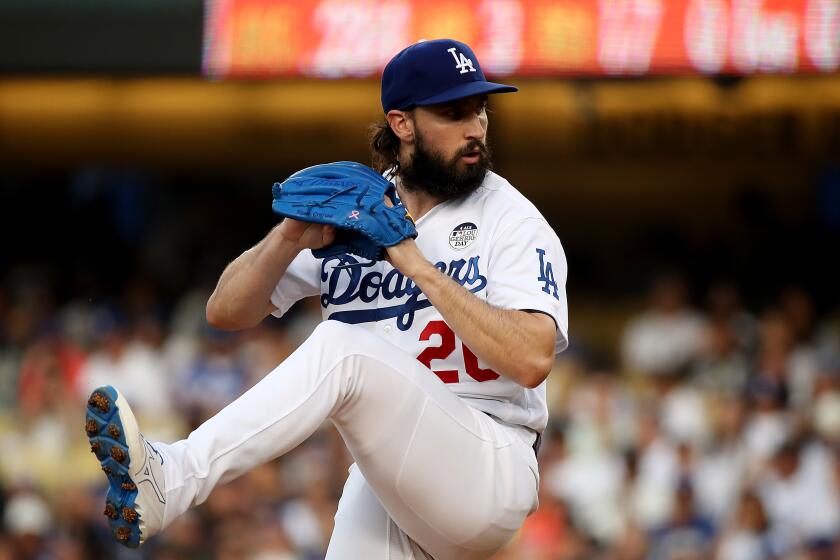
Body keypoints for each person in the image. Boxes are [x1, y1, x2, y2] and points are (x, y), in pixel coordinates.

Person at [84, 38, 569, 560]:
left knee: (344, 346)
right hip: (395, 470)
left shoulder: (511, 220)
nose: (475, 128)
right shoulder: (357, 207)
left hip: (488, 462)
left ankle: (175, 477)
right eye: (453, 113)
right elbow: (224, 312)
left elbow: (532, 358)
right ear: (402, 124)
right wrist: (289, 235)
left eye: (480, 111)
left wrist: (414, 264)